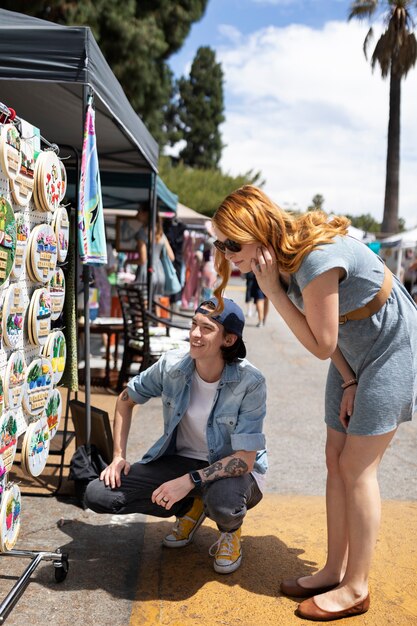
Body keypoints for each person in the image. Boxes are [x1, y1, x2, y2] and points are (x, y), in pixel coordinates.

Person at [211, 185, 417, 620]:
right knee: (334, 456)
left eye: (233, 242)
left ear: (258, 231)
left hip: (392, 345)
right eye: (221, 243)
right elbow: (332, 337)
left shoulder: (313, 258)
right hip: (355, 351)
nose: (228, 254)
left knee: (357, 466)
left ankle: (356, 587)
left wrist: (272, 291)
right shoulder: (284, 262)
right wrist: (348, 381)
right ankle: (334, 569)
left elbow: (321, 342)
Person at [85, 297, 267, 574]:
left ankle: (230, 531)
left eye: (206, 329)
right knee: (99, 494)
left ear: (228, 340)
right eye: (194, 324)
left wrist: (189, 481)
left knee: (223, 503)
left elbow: (244, 460)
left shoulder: (250, 382)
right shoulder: (172, 365)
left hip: (234, 471)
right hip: (180, 461)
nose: (194, 334)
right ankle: (191, 508)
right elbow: (125, 398)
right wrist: (118, 457)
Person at [135, 207, 175, 298]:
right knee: (156, 305)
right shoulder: (160, 233)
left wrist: (127, 262)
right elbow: (171, 257)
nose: (136, 214)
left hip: (145, 272)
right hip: (159, 272)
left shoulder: (142, 233)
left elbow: (143, 260)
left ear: (145, 214)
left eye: (139, 211)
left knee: (143, 305)